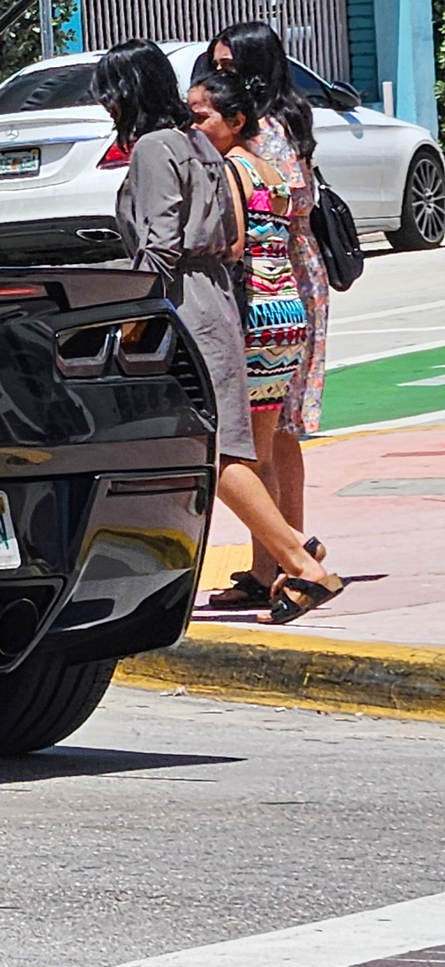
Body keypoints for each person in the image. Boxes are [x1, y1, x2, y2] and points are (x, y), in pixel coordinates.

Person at [96, 42, 338, 624]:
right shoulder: (200, 143)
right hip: (220, 298)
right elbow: (232, 238)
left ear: (125, 92)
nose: (102, 103)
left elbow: (158, 245)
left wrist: (127, 323)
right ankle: (291, 550)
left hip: (181, 301)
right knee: (226, 443)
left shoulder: (154, 149)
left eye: (107, 91)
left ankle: (299, 562)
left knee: (214, 447)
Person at [186, 67, 343, 621]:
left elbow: (229, 242)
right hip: (287, 309)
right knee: (263, 445)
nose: (192, 123)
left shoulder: (230, 168)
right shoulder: (271, 167)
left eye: (201, 115)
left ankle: (292, 554)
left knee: (241, 453)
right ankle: (268, 566)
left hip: (252, 310)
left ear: (234, 120)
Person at [208, 20, 328, 590]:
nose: (221, 76)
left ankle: (285, 554)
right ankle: (279, 554)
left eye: (231, 67)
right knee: (275, 429)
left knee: (277, 429)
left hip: (281, 272)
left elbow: (280, 201)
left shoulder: (265, 133)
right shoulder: (276, 122)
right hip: (287, 271)